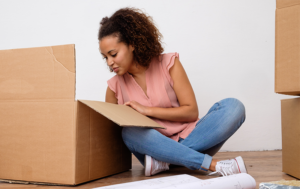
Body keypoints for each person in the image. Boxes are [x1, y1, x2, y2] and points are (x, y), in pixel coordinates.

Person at [98, 7, 247, 177]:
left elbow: (191, 112)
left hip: (191, 138)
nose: (109, 62)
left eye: (113, 54)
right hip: (150, 147)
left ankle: (166, 160)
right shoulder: (113, 87)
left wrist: (147, 111)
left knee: (234, 107)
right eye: (105, 57)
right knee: (129, 133)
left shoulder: (169, 64)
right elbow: (111, 136)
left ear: (132, 44)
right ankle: (210, 164)